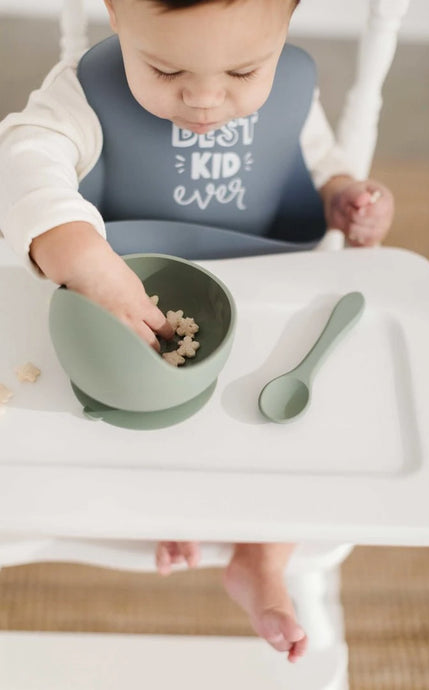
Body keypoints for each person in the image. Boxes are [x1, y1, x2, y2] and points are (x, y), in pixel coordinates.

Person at [0, 0, 394, 663]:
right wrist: (81, 252)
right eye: (165, 68)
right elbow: (24, 155)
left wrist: (345, 197)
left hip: (267, 304)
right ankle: (171, 503)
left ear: (285, 30)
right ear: (116, 16)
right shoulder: (85, 95)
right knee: (113, 417)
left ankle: (262, 559)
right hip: (130, 309)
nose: (207, 99)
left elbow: (314, 161)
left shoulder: (292, 87)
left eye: (243, 71)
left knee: (305, 432)